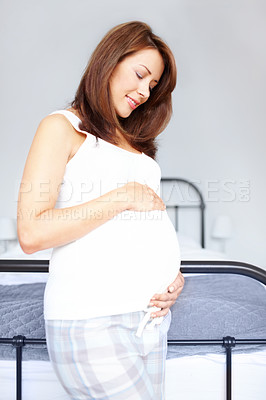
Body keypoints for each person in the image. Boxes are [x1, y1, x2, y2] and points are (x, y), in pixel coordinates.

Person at [17, 21, 184, 400]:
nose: (144, 91)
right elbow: (31, 232)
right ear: (109, 61)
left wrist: (174, 275)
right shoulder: (61, 127)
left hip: (151, 321)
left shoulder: (135, 147)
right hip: (92, 319)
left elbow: (142, 227)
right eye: (140, 75)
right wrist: (121, 196)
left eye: (153, 86)